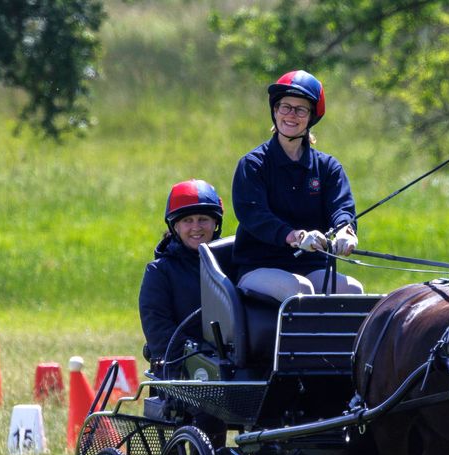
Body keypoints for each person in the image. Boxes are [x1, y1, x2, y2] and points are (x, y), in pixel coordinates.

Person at [232, 69, 363, 302]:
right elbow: (253, 215)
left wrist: (345, 229)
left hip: (311, 265)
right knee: (299, 290)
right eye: (285, 107)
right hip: (258, 266)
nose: (291, 115)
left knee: (353, 290)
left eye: (300, 109)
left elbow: (341, 207)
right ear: (275, 111)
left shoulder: (328, 167)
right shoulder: (253, 165)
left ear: (311, 117)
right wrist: (294, 236)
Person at [139, 178, 223, 370]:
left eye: (203, 219)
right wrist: (201, 357)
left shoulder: (232, 263)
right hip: (182, 372)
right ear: (175, 227)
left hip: (236, 366)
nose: (196, 227)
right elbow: (159, 331)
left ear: (215, 224)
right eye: (187, 221)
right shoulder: (159, 272)